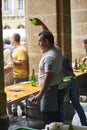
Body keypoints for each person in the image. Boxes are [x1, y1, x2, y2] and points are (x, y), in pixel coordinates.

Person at [31, 29, 64, 124]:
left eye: (40, 41)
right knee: (55, 114)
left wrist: (39, 95)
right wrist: (41, 24)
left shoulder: (50, 57)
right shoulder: (56, 48)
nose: (38, 44)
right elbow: (49, 34)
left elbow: (48, 78)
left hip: (50, 90)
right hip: (56, 87)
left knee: (48, 115)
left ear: (47, 42)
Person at [62, 55, 87, 126]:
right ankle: (84, 124)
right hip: (72, 80)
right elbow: (71, 69)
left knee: (61, 105)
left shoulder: (54, 58)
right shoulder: (64, 57)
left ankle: (61, 125)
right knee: (76, 104)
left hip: (65, 82)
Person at [11, 33, 28, 117]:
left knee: (16, 95)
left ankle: (16, 111)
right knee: (16, 95)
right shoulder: (16, 49)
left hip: (20, 76)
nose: (10, 40)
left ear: (14, 40)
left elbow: (23, 62)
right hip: (16, 75)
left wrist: (12, 61)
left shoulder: (20, 49)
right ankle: (20, 109)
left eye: (11, 39)